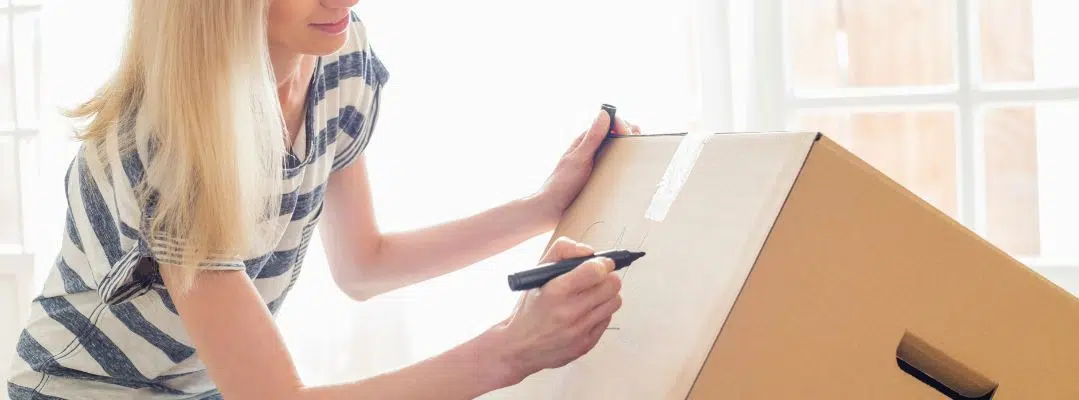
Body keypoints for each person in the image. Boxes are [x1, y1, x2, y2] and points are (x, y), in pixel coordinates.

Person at [6, 1, 643, 399]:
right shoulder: (169, 144)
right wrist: (512, 349)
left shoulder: (339, 53)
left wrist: (543, 206)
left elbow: (364, 266)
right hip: (81, 388)